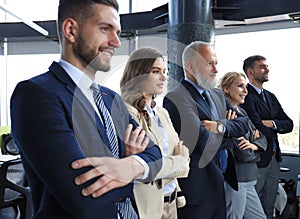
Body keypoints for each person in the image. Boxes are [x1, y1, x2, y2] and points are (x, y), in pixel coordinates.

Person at [10, 0, 162, 218]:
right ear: (71, 30)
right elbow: (82, 194)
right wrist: (135, 168)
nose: (116, 41)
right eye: (105, 29)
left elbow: (156, 154)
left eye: (118, 32)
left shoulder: (111, 99)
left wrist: (131, 166)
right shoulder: (36, 95)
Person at [163, 41, 249, 219]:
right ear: (190, 66)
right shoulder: (177, 97)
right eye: (209, 63)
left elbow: (244, 124)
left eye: (216, 63)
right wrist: (230, 136)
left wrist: (219, 126)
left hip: (221, 184)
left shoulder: (217, 94)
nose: (216, 70)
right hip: (197, 192)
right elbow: (202, 142)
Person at [120, 47, 190, 219]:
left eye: (164, 71)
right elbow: (145, 166)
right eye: (156, 71)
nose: (164, 77)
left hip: (171, 203)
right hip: (147, 208)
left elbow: (172, 154)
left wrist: (173, 164)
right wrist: (181, 161)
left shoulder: (161, 113)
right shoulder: (127, 112)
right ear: (138, 74)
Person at [240, 55, 293, 219]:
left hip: (274, 159)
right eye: (262, 67)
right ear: (250, 72)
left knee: (269, 206)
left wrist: (272, 124)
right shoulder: (246, 96)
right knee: (252, 208)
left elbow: (289, 123)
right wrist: (270, 126)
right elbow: (256, 126)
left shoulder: (270, 96)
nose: (267, 69)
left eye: (267, 66)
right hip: (257, 159)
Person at [219, 71, 267, 219]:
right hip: (236, 180)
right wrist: (254, 146)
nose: (246, 91)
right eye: (240, 86)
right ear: (226, 89)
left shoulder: (242, 113)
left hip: (250, 179)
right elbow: (243, 154)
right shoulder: (226, 115)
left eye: (246, 86)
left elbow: (263, 139)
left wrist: (254, 146)